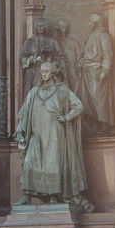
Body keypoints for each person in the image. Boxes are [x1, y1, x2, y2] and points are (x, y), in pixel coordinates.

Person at [14, 59, 86, 206]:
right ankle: (26, 195)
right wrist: (20, 131)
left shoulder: (62, 90)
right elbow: (24, 113)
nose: (44, 74)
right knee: (29, 161)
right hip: (36, 134)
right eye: (42, 71)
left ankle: (53, 195)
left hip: (55, 135)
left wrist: (66, 117)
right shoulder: (34, 92)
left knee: (53, 163)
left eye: (46, 71)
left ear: (53, 73)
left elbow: (78, 105)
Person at [80, 13, 113, 126]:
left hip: (97, 71)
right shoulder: (91, 35)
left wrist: (105, 69)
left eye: (90, 21)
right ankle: (94, 124)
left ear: (96, 23)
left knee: (97, 97)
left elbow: (107, 53)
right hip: (87, 71)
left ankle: (103, 123)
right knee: (87, 98)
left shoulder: (103, 36)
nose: (88, 23)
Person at [20, 19, 64, 99]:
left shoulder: (52, 41)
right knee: (32, 96)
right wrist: (30, 60)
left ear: (46, 27)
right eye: (38, 26)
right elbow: (22, 57)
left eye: (42, 26)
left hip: (48, 73)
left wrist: (52, 64)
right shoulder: (29, 42)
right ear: (35, 27)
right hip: (32, 73)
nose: (40, 28)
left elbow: (60, 57)